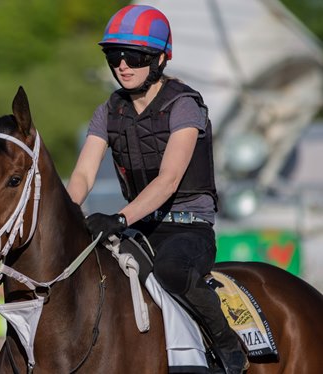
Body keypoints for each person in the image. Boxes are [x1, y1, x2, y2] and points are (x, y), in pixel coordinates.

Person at [67, 5, 247, 374]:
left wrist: (119, 217)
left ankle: (229, 345)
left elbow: (168, 181)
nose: (122, 65)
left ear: (161, 58)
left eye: (134, 56)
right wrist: (68, 218)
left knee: (170, 271)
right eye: (113, 55)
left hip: (187, 227)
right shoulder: (107, 111)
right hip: (140, 228)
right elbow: (83, 175)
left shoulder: (184, 105)